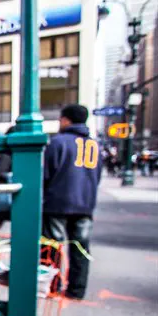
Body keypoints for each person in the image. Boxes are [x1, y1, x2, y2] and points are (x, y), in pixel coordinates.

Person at [42, 104, 102, 300]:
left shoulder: (58, 142)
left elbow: (46, 174)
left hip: (58, 203)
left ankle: (53, 284)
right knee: (81, 248)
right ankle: (77, 290)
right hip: (85, 204)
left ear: (66, 119)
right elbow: (97, 176)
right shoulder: (94, 145)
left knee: (53, 247)